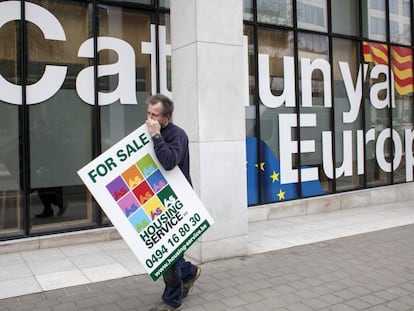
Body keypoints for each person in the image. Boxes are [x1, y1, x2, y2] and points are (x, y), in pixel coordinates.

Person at [146, 94, 201, 311]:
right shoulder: (149, 133)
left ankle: (171, 301)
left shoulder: (177, 135)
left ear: (167, 116)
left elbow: (169, 162)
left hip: (177, 202)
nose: (150, 119)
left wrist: (157, 137)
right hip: (157, 200)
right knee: (169, 252)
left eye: (155, 115)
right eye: (148, 113)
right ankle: (189, 272)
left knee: (168, 256)